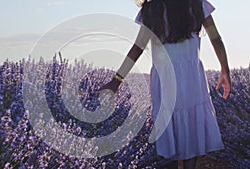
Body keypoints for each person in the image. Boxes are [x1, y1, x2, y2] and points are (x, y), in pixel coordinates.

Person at [99, 0, 231, 168]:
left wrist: (116, 81)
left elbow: (137, 48)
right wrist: (225, 70)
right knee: (190, 128)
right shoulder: (197, 4)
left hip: (164, 79)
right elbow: (216, 38)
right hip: (191, 78)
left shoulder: (151, 9)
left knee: (169, 132)